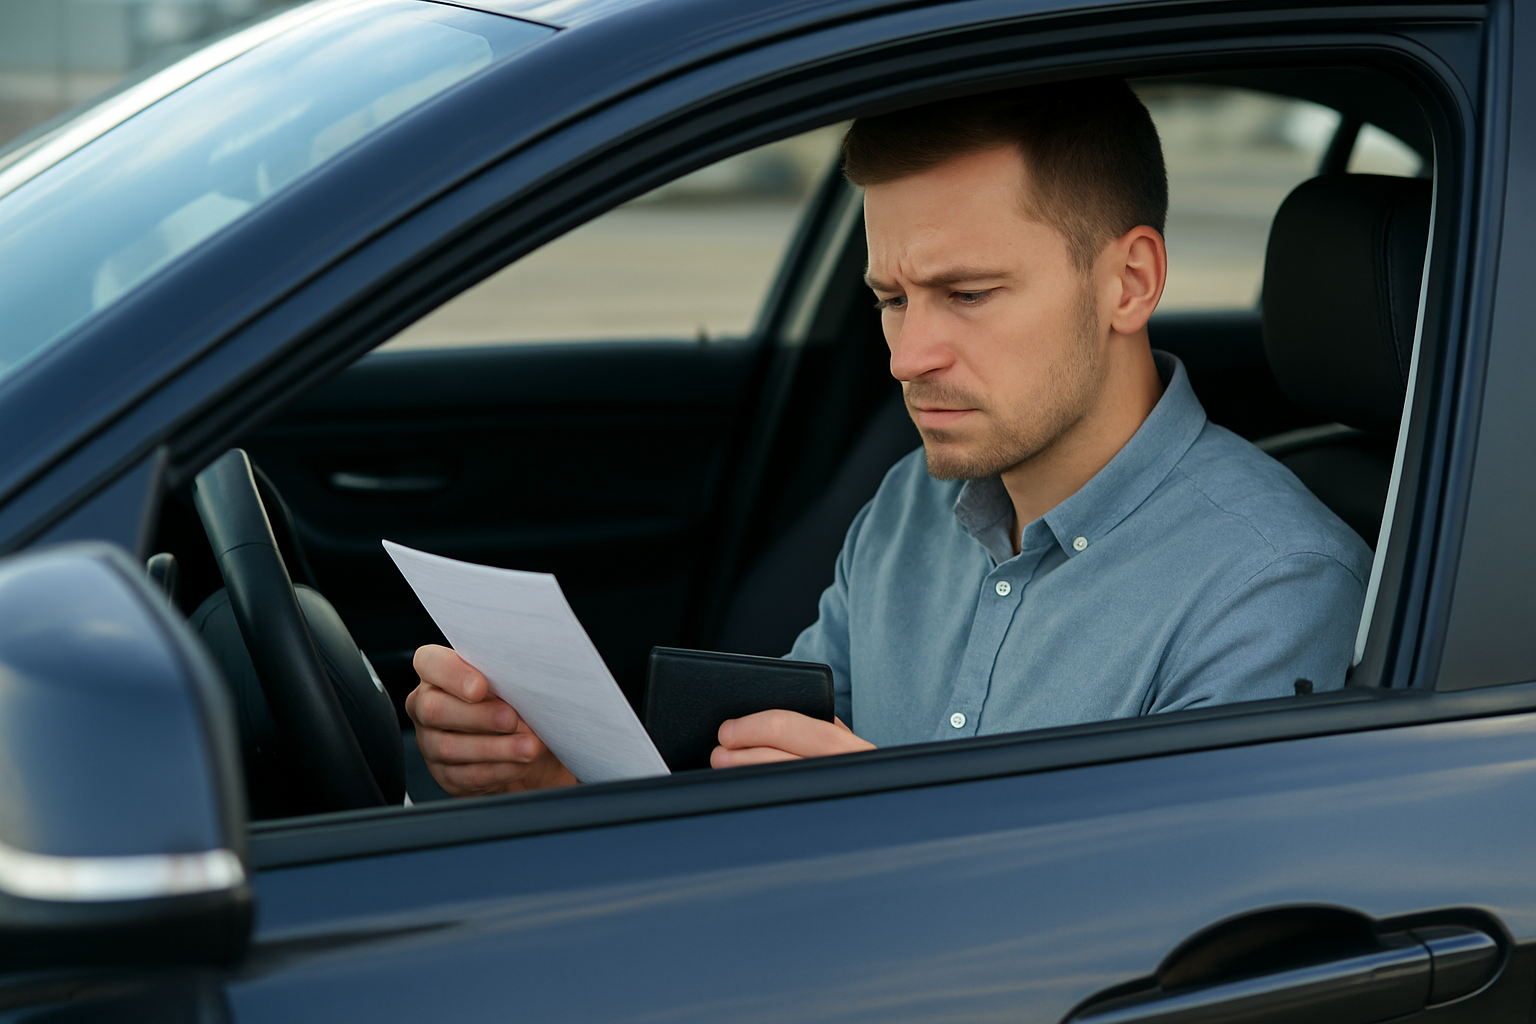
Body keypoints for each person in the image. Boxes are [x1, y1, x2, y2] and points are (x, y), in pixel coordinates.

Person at [405, 79, 1372, 796]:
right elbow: (764, 780)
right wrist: (553, 785)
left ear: (1129, 283)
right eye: (891, 300)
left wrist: (886, 826)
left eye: (968, 294)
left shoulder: (1273, 589)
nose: (910, 355)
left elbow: (1188, 949)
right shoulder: (912, 503)